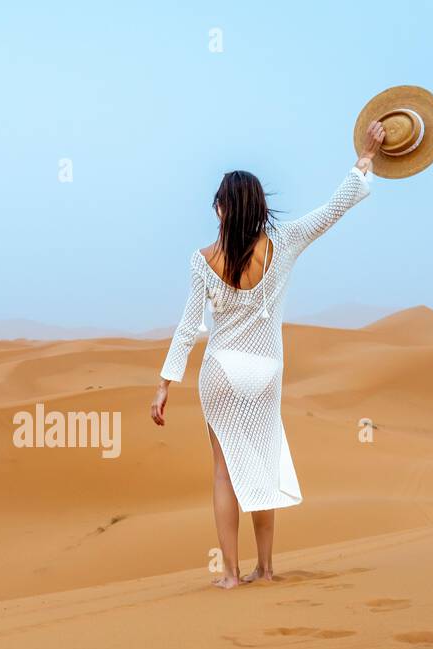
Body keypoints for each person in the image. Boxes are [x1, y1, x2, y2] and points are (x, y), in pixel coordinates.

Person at [151, 120, 385, 588]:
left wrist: (164, 384)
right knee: (263, 462)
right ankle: (268, 568)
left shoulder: (203, 259)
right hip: (266, 371)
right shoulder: (286, 242)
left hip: (220, 371)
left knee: (223, 473)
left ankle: (231, 576)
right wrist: (365, 159)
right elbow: (333, 209)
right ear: (259, 208)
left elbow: (188, 325)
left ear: (220, 210)